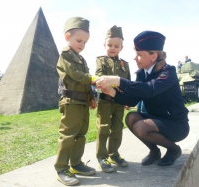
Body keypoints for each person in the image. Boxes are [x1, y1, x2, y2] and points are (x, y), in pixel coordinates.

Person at [94, 30, 189, 167]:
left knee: (141, 126)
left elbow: (149, 90)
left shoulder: (167, 72)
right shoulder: (141, 74)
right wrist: (110, 91)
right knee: (131, 117)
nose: (135, 58)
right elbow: (132, 100)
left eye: (139, 55)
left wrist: (118, 80)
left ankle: (173, 149)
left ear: (153, 56)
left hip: (176, 125)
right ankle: (154, 151)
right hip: (156, 120)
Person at [55, 17, 97, 186]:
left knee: (80, 134)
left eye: (85, 42)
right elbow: (77, 76)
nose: (82, 45)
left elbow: (86, 83)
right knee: (68, 135)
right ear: (67, 37)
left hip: (82, 103)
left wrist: (92, 97)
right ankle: (61, 168)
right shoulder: (65, 56)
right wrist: (95, 79)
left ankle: (76, 164)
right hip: (71, 102)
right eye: (79, 40)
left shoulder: (82, 59)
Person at [95, 25, 131, 172]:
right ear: (104, 45)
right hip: (105, 101)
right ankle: (102, 157)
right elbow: (99, 78)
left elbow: (128, 83)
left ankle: (113, 154)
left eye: (116, 46)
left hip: (119, 103)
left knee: (117, 129)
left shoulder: (125, 64)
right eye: (109, 45)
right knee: (103, 128)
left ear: (121, 47)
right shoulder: (101, 61)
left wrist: (127, 100)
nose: (112, 48)